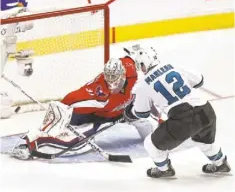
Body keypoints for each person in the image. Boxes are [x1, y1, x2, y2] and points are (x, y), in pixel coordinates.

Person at [12, 55, 156, 159]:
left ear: (123, 74)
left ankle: (158, 135)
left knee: (149, 134)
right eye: (108, 79)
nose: (112, 84)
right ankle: (34, 141)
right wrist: (61, 109)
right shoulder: (100, 92)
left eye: (115, 80)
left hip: (128, 111)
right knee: (77, 144)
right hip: (101, 116)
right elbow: (73, 98)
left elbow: (137, 58)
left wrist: (136, 108)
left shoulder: (131, 71)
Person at [124, 44, 231, 178]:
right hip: (206, 110)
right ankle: (221, 163)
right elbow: (199, 80)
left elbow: (141, 113)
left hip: (183, 119)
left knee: (150, 144)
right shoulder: (172, 66)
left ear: (142, 64)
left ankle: (164, 169)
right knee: (203, 140)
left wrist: (129, 113)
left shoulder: (142, 84)